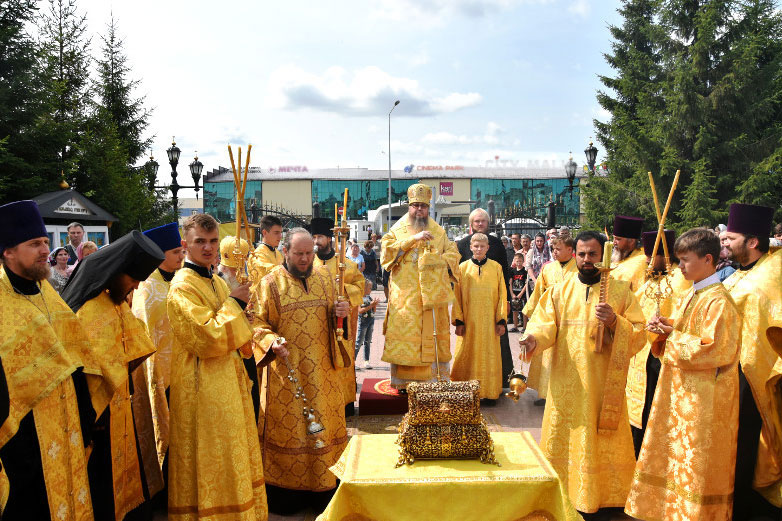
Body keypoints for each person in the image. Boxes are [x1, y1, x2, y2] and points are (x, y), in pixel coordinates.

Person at [519, 230, 645, 517]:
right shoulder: (559, 290)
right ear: (575, 255)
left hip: (602, 385)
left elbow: (639, 335)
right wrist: (532, 339)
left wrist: (615, 322)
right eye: (583, 254)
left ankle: (604, 497)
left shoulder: (621, 291)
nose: (587, 260)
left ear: (603, 256)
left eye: (593, 254)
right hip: (567, 381)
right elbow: (544, 325)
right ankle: (564, 490)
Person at [625, 228, 741, 520]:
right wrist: (668, 326)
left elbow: (715, 349)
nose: (680, 267)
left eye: (686, 260)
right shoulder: (695, 292)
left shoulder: (719, 301)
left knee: (696, 462)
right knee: (677, 459)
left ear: (708, 259)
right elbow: (691, 332)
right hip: (685, 394)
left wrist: (670, 336)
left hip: (706, 401)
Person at [165, 213, 268, 521]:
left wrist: (246, 319)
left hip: (227, 383)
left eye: (212, 241)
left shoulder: (217, 281)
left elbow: (235, 333)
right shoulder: (182, 287)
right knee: (212, 455)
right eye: (200, 242)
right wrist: (235, 305)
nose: (208, 248)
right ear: (186, 245)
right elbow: (205, 338)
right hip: (202, 388)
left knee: (231, 453)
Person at [0, 200, 96, 520]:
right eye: (33, 244)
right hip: (24, 441)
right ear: (8, 251)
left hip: (66, 427)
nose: (45, 250)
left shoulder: (45, 289)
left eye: (44, 242)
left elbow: (75, 352)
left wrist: (86, 414)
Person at [61, 229, 166, 521]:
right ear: (116, 271)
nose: (134, 286)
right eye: (132, 278)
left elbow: (136, 345)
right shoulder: (86, 311)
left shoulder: (114, 303)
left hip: (120, 405)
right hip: (98, 416)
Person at [252, 228, 350, 514]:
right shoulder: (269, 284)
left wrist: (341, 312)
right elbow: (256, 323)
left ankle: (325, 491)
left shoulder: (324, 278)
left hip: (323, 376)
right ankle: (286, 496)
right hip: (287, 376)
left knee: (323, 433)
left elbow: (337, 321)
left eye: (309, 253)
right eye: (299, 254)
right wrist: (271, 342)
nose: (306, 259)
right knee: (290, 433)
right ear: (286, 252)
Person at [722, 203, 782, 520]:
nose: (725, 243)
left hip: (752, 374)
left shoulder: (768, 277)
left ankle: (741, 508)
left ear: (752, 242)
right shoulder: (737, 275)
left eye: (731, 238)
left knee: (744, 444)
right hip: (728, 371)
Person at [381, 183, 461, 390]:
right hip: (405, 299)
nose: (419, 210)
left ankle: (434, 381)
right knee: (409, 340)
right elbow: (386, 253)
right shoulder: (397, 230)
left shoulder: (438, 231)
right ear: (409, 206)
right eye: (415, 205)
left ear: (428, 208)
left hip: (432, 300)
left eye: (423, 206)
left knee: (431, 338)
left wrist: (440, 261)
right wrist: (411, 240)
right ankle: (404, 384)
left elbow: (454, 254)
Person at [625, 230, 691, 457]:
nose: (647, 260)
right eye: (646, 255)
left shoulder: (681, 281)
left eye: (652, 255)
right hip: (640, 356)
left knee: (655, 412)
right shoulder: (651, 280)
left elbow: (684, 318)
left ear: (665, 255)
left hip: (661, 356)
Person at [132, 222, 185, 476]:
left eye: (181, 251)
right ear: (160, 254)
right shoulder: (147, 286)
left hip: (183, 365)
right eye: (175, 252)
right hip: (159, 370)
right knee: (163, 426)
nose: (181, 256)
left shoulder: (181, 278)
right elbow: (144, 329)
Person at [311, 217, 365, 414]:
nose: (316, 241)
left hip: (342, 323)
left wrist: (340, 288)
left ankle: (345, 404)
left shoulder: (346, 265)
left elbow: (362, 288)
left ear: (329, 238)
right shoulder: (308, 264)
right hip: (317, 324)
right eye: (314, 237)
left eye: (320, 237)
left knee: (342, 359)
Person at [457, 208, 513, 386]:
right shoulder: (462, 244)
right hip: (471, 307)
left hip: (493, 305)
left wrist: (507, 302)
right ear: (471, 224)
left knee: (498, 342)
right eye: (476, 221)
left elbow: (504, 274)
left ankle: (502, 381)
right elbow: (458, 279)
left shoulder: (496, 244)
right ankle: (467, 382)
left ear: (488, 223)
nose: (480, 224)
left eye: (483, 221)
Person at [451, 233, 508, 401]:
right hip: (470, 322)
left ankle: (489, 392)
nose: (479, 249)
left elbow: (502, 294)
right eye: (476, 246)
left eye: (482, 246)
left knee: (490, 356)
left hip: (490, 323)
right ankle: (468, 393)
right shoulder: (462, 268)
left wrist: (501, 319)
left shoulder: (496, 267)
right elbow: (457, 296)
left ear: (487, 248)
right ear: (470, 247)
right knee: (469, 355)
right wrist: (459, 321)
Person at [522, 236, 578, 406]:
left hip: (570, 319)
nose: (554, 252)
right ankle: (545, 393)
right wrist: (531, 315)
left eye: (558, 249)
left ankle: (567, 392)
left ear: (570, 250)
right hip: (549, 318)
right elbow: (539, 292)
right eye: (553, 249)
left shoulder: (578, 269)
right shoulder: (547, 269)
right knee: (547, 355)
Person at [610, 215, 647, 293]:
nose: (614, 242)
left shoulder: (642, 259)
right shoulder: (622, 255)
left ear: (631, 241)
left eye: (618, 239)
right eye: (613, 238)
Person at [248, 215, 285, 287]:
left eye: (281, 233)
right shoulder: (257, 255)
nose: (280, 236)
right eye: (276, 233)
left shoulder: (278, 253)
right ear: (264, 232)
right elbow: (267, 274)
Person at [356, 279, 379, 369]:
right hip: (363, 322)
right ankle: (353, 362)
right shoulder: (359, 298)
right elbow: (360, 311)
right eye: (369, 287)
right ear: (364, 288)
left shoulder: (369, 297)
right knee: (359, 342)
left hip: (370, 321)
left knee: (368, 342)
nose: (371, 289)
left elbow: (374, 311)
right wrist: (371, 305)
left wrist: (375, 305)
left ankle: (366, 361)